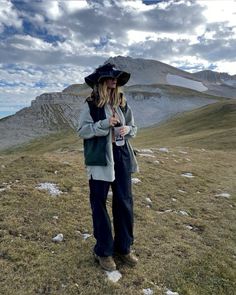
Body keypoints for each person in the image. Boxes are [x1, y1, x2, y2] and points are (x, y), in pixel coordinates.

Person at [78, 63, 139, 271]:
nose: (115, 81)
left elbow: (134, 128)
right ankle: (103, 251)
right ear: (101, 82)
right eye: (111, 78)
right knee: (99, 203)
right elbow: (82, 131)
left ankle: (124, 248)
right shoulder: (90, 105)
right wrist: (104, 125)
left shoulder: (122, 103)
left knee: (124, 201)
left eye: (117, 79)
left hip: (121, 155)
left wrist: (126, 129)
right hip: (100, 158)